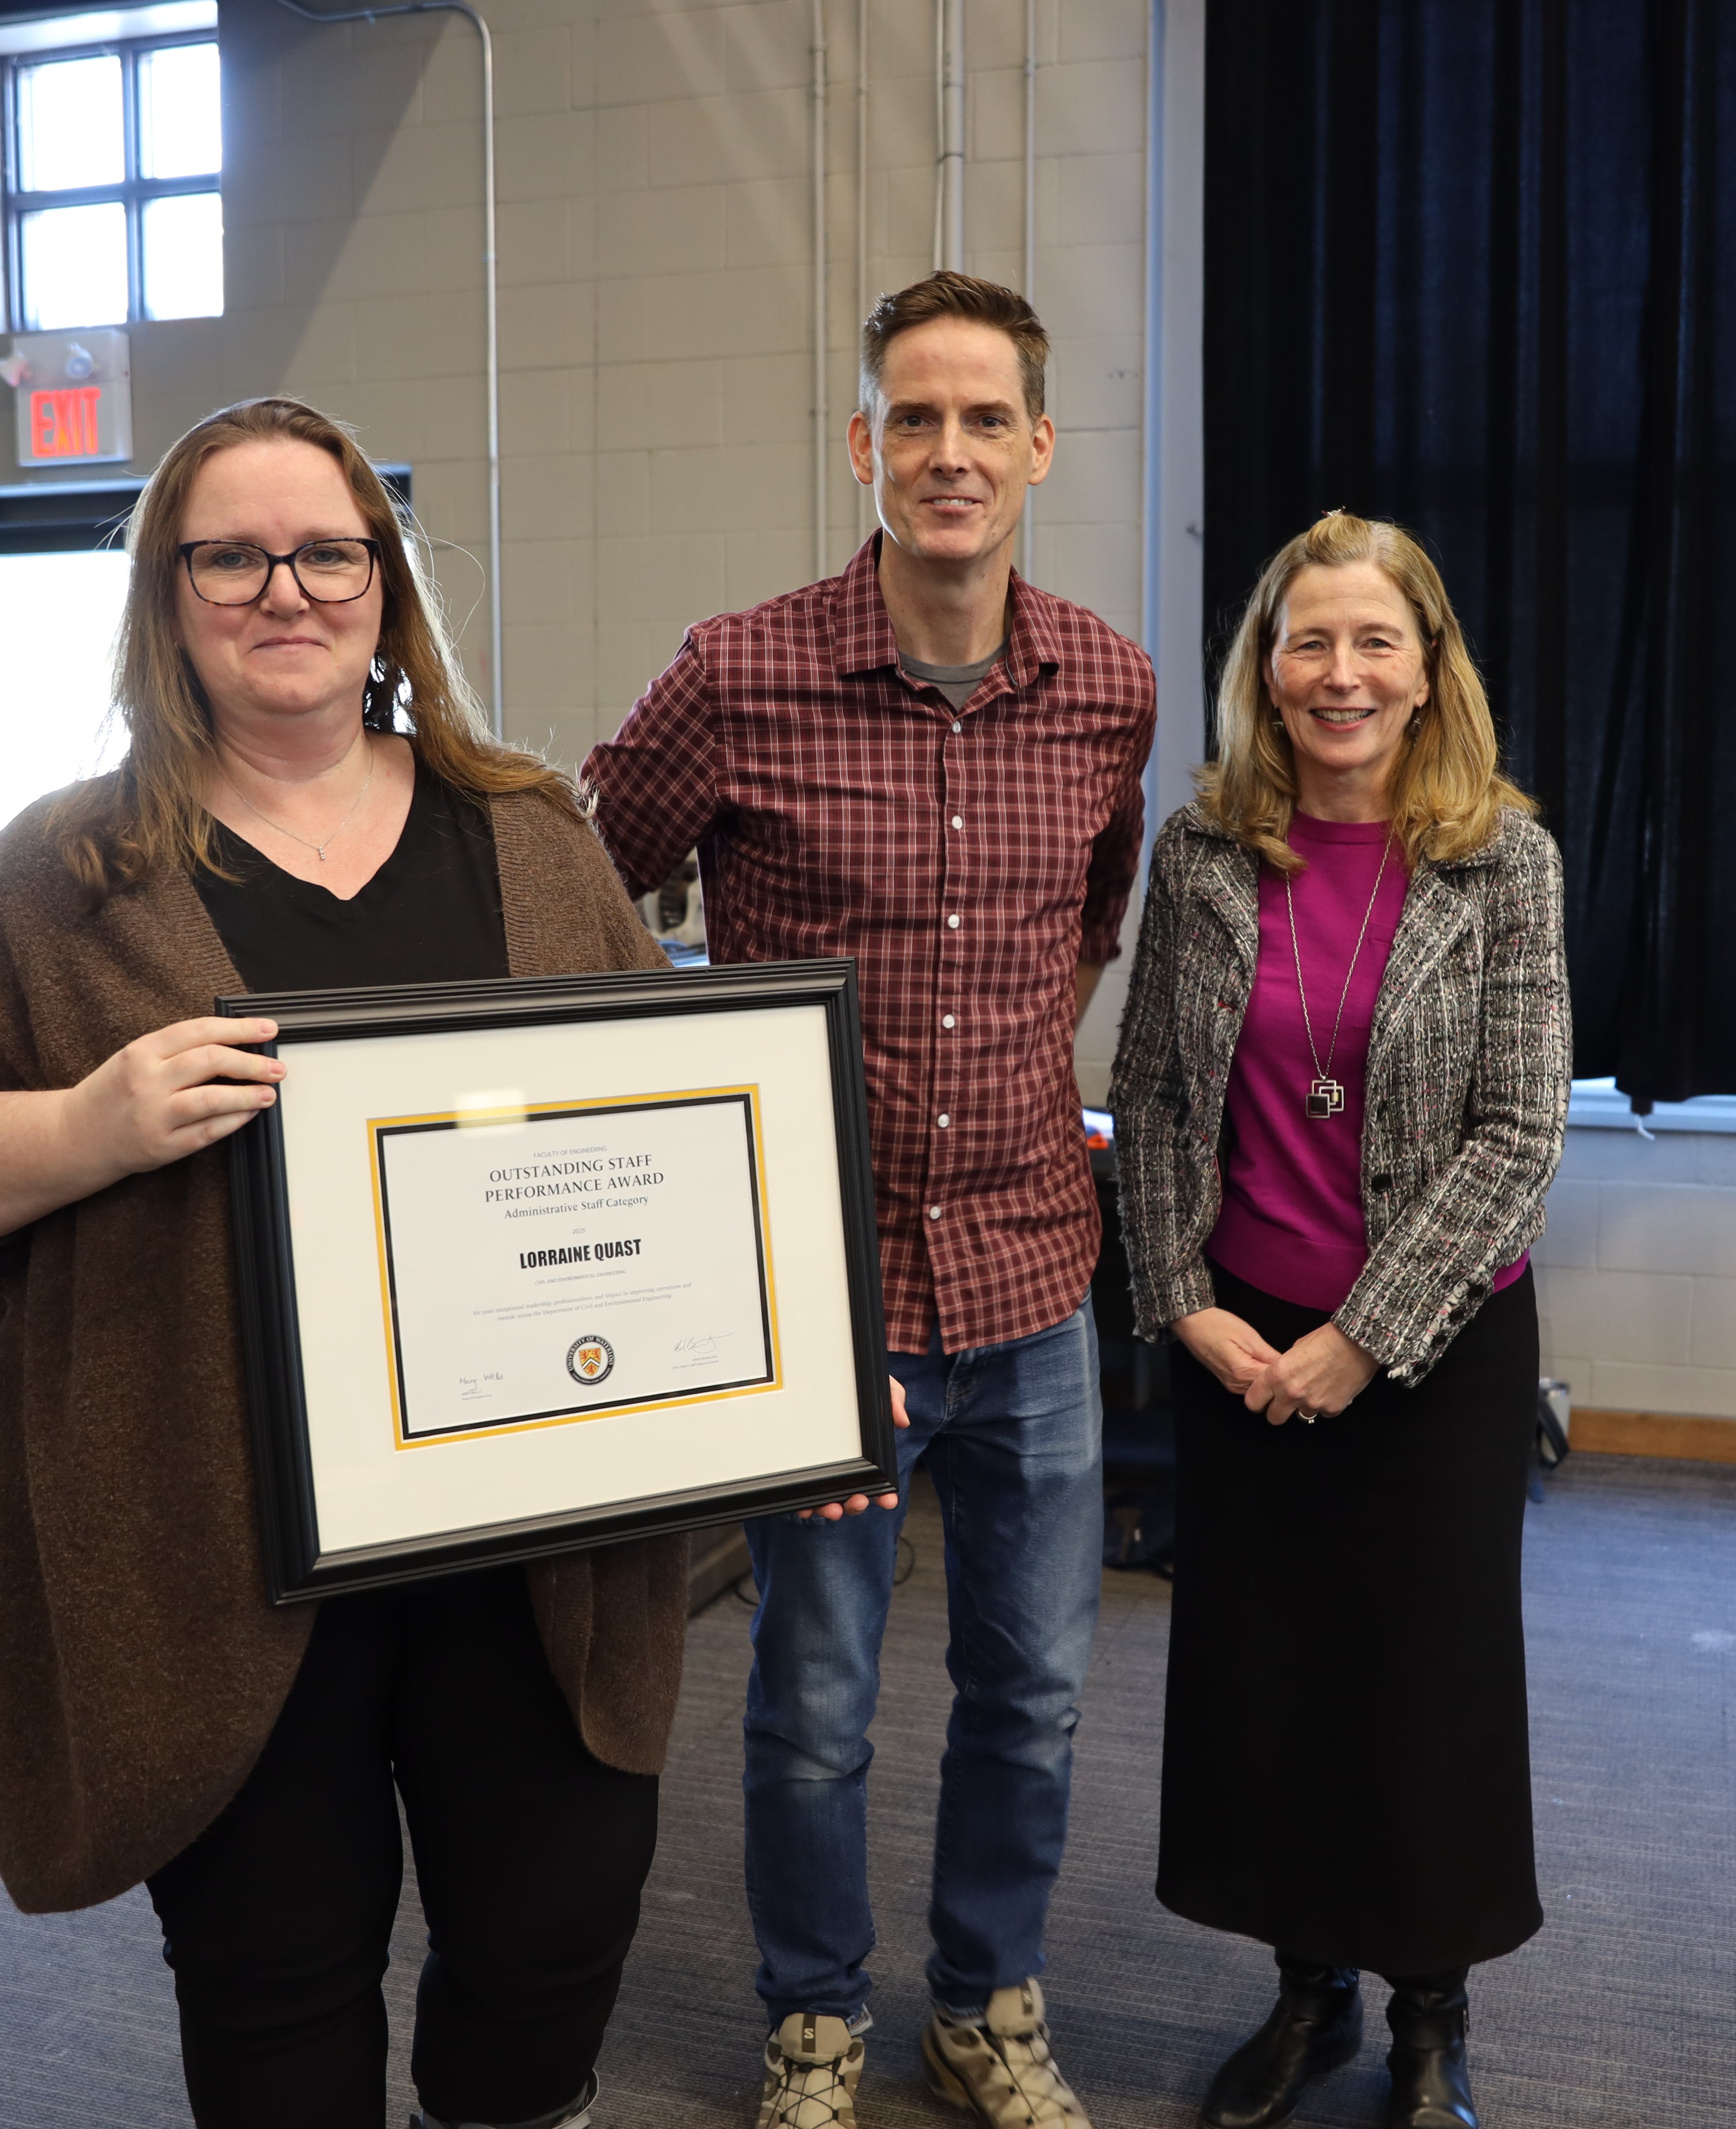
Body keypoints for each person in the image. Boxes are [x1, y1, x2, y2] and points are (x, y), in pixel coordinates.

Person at [0, 397, 688, 2129]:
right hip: (213, 1551)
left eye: (328, 551)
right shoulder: (64, 872)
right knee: (276, 1986)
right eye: (232, 554)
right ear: (169, 592)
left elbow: (673, 1130)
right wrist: (84, 1126)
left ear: (384, 583)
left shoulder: (529, 834)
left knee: (546, 1952)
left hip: (530, 1538)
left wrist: (784, 1361)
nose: (284, 589)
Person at [583, 272, 1156, 2129]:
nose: (952, 452)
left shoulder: (1110, 687)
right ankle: (814, 2017)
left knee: (1034, 1695)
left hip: (1036, 1277)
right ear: (863, 445)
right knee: (815, 1702)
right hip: (818, 1296)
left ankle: (986, 2006)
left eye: (987, 420)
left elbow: (1086, 920)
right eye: (915, 418)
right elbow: (593, 895)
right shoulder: (741, 671)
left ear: (1041, 448)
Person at [1106, 511, 1568, 2129]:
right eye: (1310, 641)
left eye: (1376, 641)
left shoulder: (1503, 860)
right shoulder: (1207, 851)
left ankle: (1433, 2015)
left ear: (1428, 666)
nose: (1341, 673)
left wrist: (1367, 1334)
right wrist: (1182, 1302)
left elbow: (1520, 1134)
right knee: (1271, 1682)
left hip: (1434, 1353)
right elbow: (1156, 1097)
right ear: (1268, 668)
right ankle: (1308, 2000)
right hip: (1246, 1347)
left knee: (1424, 1686)